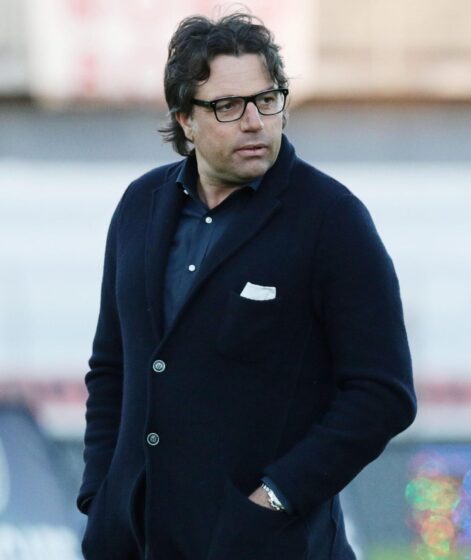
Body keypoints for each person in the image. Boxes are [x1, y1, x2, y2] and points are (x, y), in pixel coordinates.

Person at [76, 12, 416, 560]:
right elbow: (112, 366)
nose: (254, 121)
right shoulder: (140, 206)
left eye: (267, 99)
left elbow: (383, 394)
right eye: (228, 106)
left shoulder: (331, 218)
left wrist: (276, 498)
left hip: (268, 545)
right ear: (185, 119)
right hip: (135, 541)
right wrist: (101, 496)